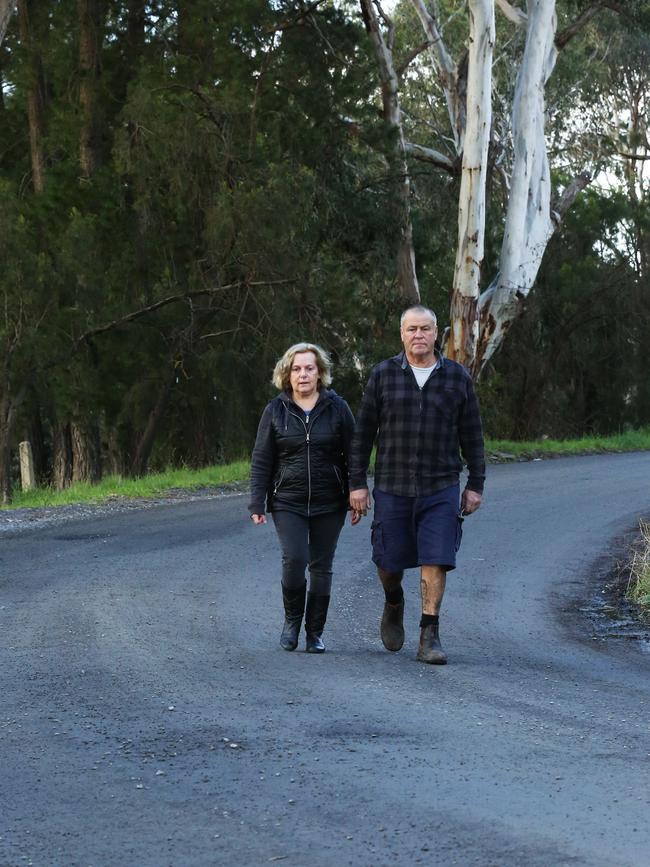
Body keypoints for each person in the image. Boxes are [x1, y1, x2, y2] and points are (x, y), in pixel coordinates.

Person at [348, 305, 485, 664]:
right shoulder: (383, 375)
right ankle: (394, 599)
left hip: (440, 485)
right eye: (412, 329)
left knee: (436, 558)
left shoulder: (457, 378)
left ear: (437, 333)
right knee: (388, 561)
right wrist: (357, 483)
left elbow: (472, 434)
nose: (419, 335)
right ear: (402, 334)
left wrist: (475, 484)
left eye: (425, 329)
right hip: (392, 485)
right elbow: (362, 435)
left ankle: (429, 633)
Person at [249, 342, 358, 653]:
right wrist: (257, 501)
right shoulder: (275, 410)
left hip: (330, 501)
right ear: (287, 374)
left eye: (310, 368)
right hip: (288, 500)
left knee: (322, 566)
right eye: (297, 369)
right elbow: (262, 459)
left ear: (320, 373)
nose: (303, 374)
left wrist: (356, 492)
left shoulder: (338, 408)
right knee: (295, 559)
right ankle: (292, 621)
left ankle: (315, 633)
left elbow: (355, 455)